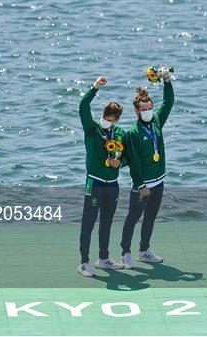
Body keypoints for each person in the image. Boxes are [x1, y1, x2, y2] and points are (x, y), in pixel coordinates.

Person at [120, 67, 175, 269]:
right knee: (133, 218)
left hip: (159, 180)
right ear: (137, 111)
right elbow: (133, 162)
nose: (148, 112)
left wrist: (167, 80)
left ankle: (144, 251)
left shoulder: (158, 121)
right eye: (144, 110)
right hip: (142, 185)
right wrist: (140, 184)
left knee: (150, 218)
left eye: (150, 108)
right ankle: (125, 252)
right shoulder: (133, 133)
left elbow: (168, 102)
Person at [77, 76, 128, 277]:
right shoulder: (92, 129)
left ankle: (104, 258)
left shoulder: (120, 134)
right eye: (106, 117)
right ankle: (83, 262)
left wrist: (120, 163)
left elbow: (126, 157)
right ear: (103, 115)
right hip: (95, 183)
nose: (108, 121)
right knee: (88, 223)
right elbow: (82, 107)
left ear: (117, 119)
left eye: (111, 119)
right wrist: (94, 88)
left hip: (112, 185)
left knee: (106, 223)